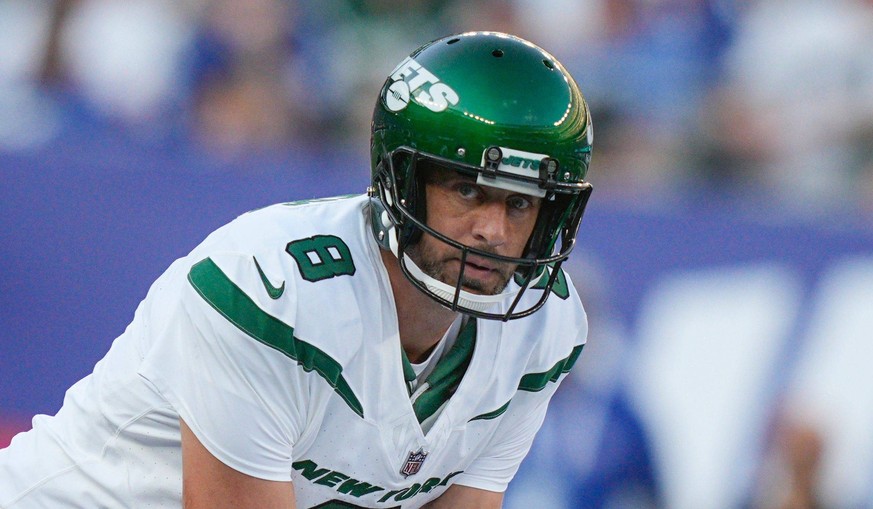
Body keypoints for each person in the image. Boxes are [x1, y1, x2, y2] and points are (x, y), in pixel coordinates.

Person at [0, 31, 594, 508]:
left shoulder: (546, 328)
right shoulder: (269, 288)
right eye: (468, 190)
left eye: (520, 203)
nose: (493, 230)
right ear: (405, 184)